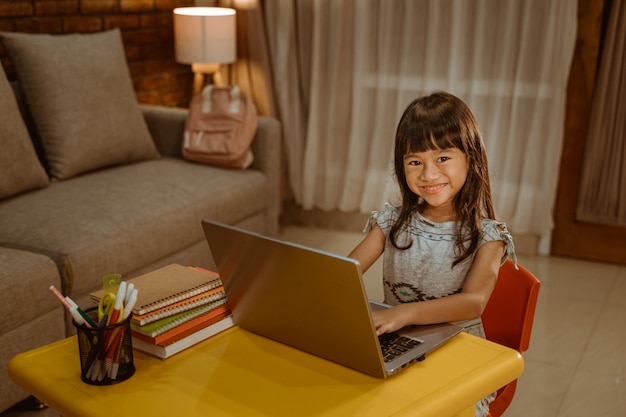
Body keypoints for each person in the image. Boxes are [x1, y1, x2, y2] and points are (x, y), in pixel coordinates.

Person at [348, 91, 516, 417]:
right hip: (400, 347)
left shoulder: (489, 236)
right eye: (415, 162)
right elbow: (345, 270)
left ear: (471, 158)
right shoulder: (390, 222)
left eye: (442, 158)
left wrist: (403, 314)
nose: (428, 174)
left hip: (461, 356)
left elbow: (473, 302)